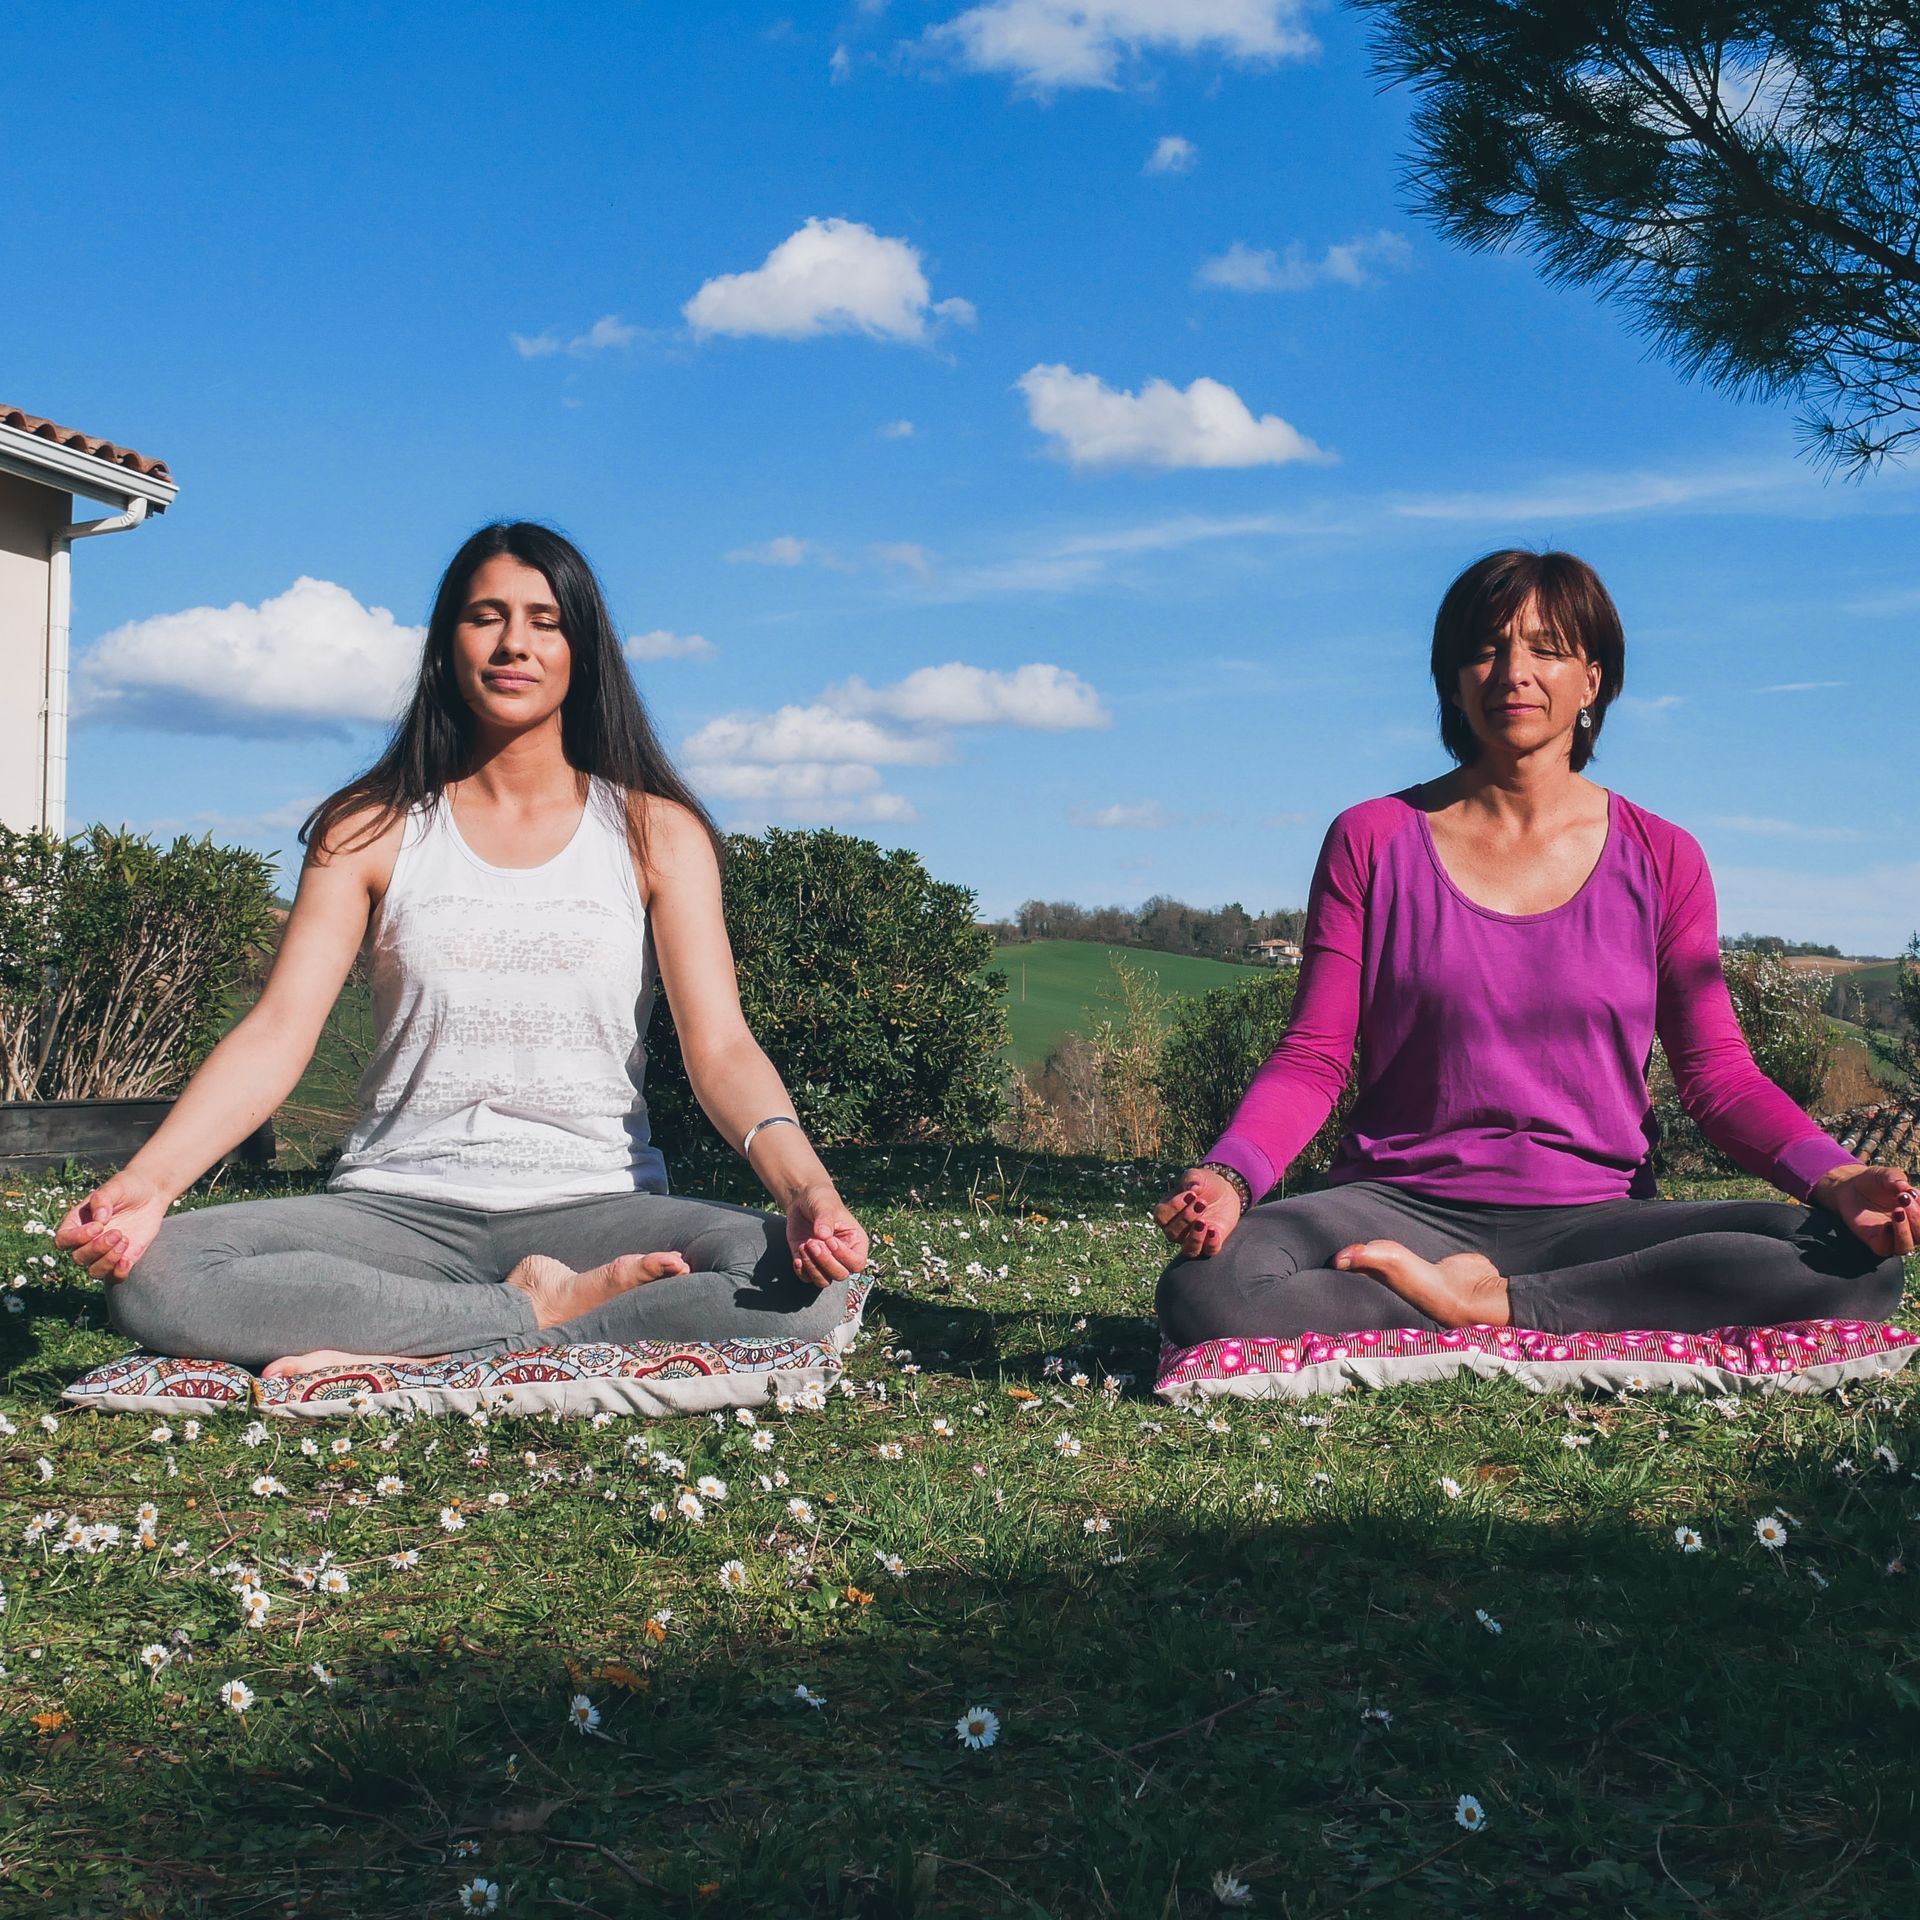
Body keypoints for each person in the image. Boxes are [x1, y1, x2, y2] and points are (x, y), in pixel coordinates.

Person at [55, 522, 869, 1376]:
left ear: (583, 651)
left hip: (598, 1205)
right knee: (161, 1277)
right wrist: (148, 1185)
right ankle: (533, 1314)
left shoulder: (656, 834)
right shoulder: (369, 828)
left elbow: (723, 1048)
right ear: (447, 645)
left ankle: (428, 1342)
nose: (514, 643)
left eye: (545, 621)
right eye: (486, 617)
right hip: (397, 1210)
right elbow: (278, 1031)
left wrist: (807, 1190)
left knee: (803, 1286)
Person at [1155, 549, 1915, 1345]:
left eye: (1547, 649)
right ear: (1453, 680)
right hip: (1395, 1208)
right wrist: (1232, 1174)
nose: (1514, 672)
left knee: (1853, 1263)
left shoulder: (1664, 856)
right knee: (1212, 1287)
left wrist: (1836, 1179)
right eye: (1487, 649)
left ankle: (1490, 1306)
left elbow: (1718, 1077)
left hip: (1596, 1221)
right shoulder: (1370, 839)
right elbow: (1314, 1056)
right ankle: (1541, 1305)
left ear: (1592, 681)